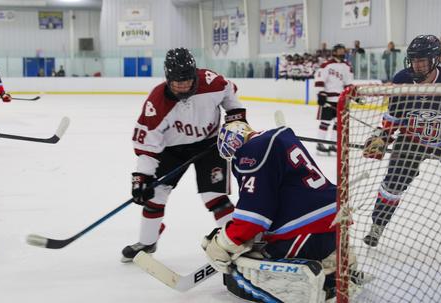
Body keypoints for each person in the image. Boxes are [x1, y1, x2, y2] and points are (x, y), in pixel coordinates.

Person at [121, 47, 247, 262]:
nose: (181, 86)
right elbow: (148, 145)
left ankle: (238, 242)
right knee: (155, 195)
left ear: (194, 75)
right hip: (172, 150)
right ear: (167, 78)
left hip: (209, 145)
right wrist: (141, 177)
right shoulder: (157, 102)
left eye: (186, 81)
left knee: (214, 197)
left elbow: (230, 93)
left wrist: (235, 118)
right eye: (176, 82)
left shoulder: (212, 82)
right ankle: (148, 241)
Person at [202, 121, 341, 302]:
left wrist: (225, 243)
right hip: (333, 219)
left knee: (248, 265)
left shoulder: (252, 152)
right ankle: (334, 267)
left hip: (308, 228)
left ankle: (316, 288)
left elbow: (253, 217)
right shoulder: (277, 139)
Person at [362, 34, 441, 247]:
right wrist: (383, 136)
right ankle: (377, 227)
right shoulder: (402, 79)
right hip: (411, 139)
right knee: (393, 183)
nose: (416, 65)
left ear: (435, 59)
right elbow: (394, 115)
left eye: (422, 60)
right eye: (413, 60)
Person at [314, 43, 353, 155]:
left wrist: (351, 95)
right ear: (334, 52)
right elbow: (319, 79)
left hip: (340, 100)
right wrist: (320, 94)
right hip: (328, 99)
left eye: (343, 50)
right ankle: (320, 144)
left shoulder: (347, 66)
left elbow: (348, 83)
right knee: (325, 122)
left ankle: (333, 144)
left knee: (338, 123)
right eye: (339, 50)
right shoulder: (326, 65)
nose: (342, 52)